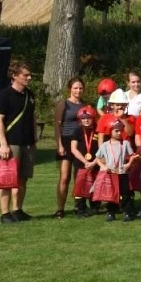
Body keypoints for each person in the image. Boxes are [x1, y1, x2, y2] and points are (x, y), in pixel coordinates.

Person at [0, 59, 38, 224]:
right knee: (7, 179)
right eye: (26, 75)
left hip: (28, 143)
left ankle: (18, 210)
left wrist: (35, 137)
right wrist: (3, 144)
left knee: (23, 179)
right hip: (12, 143)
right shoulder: (3, 96)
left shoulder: (30, 95)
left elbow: (32, 117)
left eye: (29, 75)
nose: (29, 78)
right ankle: (5, 214)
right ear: (14, 76)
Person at [53, 76, 86, 218]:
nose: (78, 91)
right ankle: (60, 208)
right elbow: (57, 126)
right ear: (70, 89)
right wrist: (59, 144)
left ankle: (78, 206)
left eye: (80, 88)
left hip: (79, 143)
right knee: (64, 177)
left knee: (79, 176)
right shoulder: (63, 104)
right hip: (66, 142)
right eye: (75, 88)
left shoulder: (85, 105)